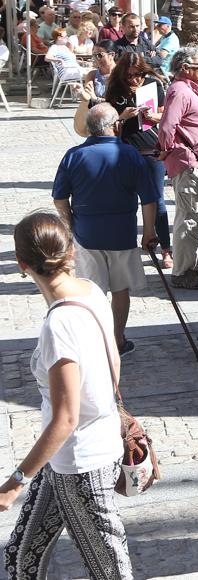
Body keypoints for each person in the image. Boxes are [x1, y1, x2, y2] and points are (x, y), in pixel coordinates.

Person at [1, 212, 133, 579]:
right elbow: (114, 360)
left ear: (21, 264)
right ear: (70, 250)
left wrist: (15, 482)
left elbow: (66, 418)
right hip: (61, 461)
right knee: (21, 555)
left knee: (109, 570)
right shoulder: (90, 291)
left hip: (83, 465)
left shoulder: (59, 327)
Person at [51, 103, 158, 355]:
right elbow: (149, 199)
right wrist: (149, 233)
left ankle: (95, 340)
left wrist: (70, 226)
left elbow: (59, 197)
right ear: (114, 125)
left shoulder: (74, 155)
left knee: (91, 291)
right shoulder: (130, 154)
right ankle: (116, 339)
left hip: (87, 234)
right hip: (121, 232)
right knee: (120, 290)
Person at [102, 52, 172, 271]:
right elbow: (106, 122)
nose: (135, 80)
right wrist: (122, 117)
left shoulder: (153, 84)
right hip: (125, 149)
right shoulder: (115, 89)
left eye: (139, 75)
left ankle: (166, 249)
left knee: (157, 200)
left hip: (151, 148)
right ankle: (127, 250)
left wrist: (153, 117)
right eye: (130, 76)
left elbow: (166, 115)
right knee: (127, 202)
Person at [158, 47, 198, 289]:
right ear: (185, 68)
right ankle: (182, 272)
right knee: (189, 216)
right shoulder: (180, 91)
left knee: (196, 214)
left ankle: (193, 265)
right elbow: (167, 126)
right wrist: (168, 149)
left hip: (195, 160)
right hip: (187, 161)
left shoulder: (188, 89)